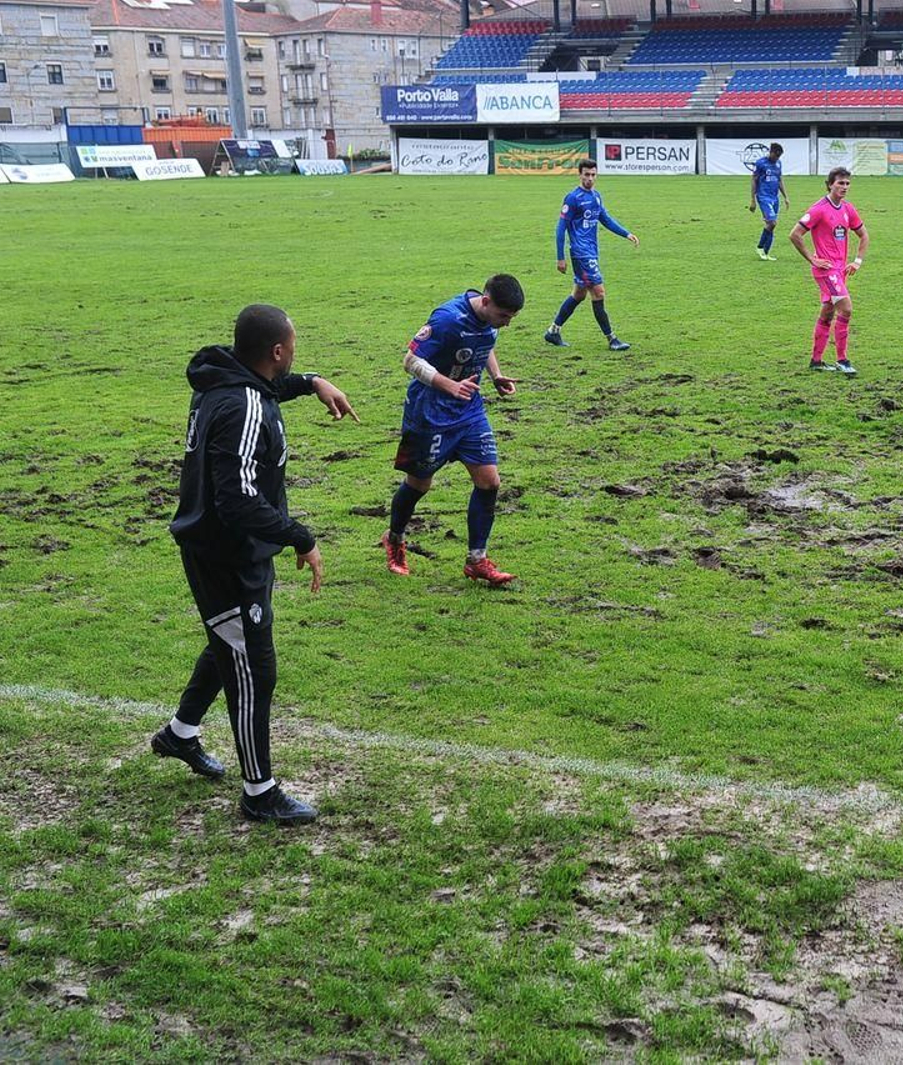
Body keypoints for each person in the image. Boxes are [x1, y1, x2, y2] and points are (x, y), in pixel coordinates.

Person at [159, 304, 358, 825]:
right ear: (276, 351)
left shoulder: (224, 379)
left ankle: (180, 734)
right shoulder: (243, 405)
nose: (294, 353)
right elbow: (238, 499)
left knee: (231, 645)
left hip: (228, 548)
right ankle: (259, 793)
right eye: (293, 347)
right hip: (226, 555)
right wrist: (300, 537)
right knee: (255, 668)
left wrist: (312, 382)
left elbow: (265, 387)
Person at [383, 275, 523, 586]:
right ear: (485, 301)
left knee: (489, 482)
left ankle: (477, 560)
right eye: (503, 316)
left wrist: (496, 376)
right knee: (419, 484)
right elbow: (410, 361)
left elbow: (484, 342)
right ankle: (394, 539)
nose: (506, 324)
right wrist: (449, 385)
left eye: (511, 318)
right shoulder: (447, 319)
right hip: (429, 414)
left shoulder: (489, 321)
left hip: (469, 412)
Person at [544, 158, 639, 352]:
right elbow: (560, 228)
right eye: (586, 174)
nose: (590, 178)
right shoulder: (573, 198)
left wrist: (626, 233)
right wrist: (560, 257)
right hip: (581, 253)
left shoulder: (596, 196)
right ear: (579, 175)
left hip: (591, 252)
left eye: (593, 175)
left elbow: (605, 219)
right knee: (598, 292)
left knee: (579, 294)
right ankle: (612, 339)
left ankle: (553, 331)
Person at [790, 166, 869, 377]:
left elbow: (864, 235)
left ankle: (816, 361)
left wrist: (857, 261)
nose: (845, 187)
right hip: (826, 271)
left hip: (840, 271)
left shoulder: (848, 209)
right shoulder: (819, 209)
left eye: (847, 183)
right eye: (840, 183)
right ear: (830, 185)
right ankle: (842, 360)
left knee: (827, 313)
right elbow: (795, 234)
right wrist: (812, 258)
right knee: (846, 309)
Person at [749, 142, 789, 260]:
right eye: (776, 155)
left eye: (779, 156)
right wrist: (753, 200)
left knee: (771, 225)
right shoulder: (760, 163)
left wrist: (786, 197)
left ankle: (765, 253)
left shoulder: (778, 163)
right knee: (772, 223)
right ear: (770, 152)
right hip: (763, 196)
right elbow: (754, 180)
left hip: (774, 197)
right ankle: (760, 247)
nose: (777, 158)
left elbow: (779, 180)